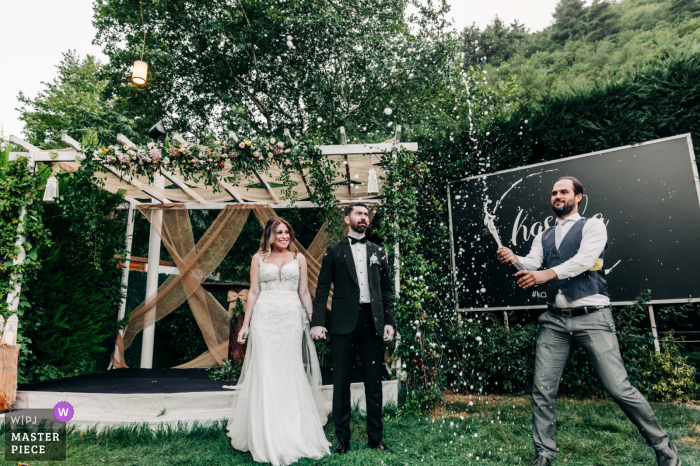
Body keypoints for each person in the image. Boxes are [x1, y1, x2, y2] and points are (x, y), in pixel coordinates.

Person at [496, 176, 680, 466]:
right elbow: (531, 263)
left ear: (578, 196)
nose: (557, 196)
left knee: (618, 387)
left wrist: (547, 274)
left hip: (593, 318)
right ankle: (544, 453)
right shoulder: (544, 235)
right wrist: (513, 257)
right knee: (542, 390)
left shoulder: (592, 226)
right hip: (554, 322)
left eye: (564, 191)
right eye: (554, 193)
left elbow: (585, 259)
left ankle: (663, 446)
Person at [226, 217, 330, 465]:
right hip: (265, 319)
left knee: (289, 370)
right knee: (266, 372)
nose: (284, 236)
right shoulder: (258, 259)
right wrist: (246, 325)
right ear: (270, 235)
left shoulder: (299, 258)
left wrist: (314, 320)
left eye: (286, 232)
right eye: (279, 232)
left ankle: (292, 431)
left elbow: (303, 292)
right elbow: (253, 291)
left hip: (291, 320)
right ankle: (265, 432)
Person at [310, 202, 395, 455]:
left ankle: (375, 438)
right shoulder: (333, 251)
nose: (364, 218)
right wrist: (317, 321)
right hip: (342, 323)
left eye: (366, 214)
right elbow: (322, 288)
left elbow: (387, 290)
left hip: (373, 322)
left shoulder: (378, 251)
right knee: (341, 383)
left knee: (374, 383)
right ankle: (342, 440)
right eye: (358, 213)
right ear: (347, 219)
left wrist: (389, 320)